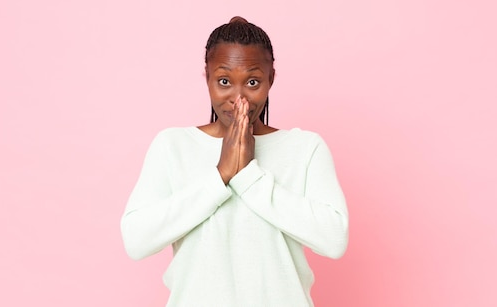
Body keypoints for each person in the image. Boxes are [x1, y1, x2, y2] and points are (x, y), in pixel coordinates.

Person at [121, 16, 349, 307]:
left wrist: (247, 176)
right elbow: (136, 240)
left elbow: (334, 240)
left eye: (253, 82)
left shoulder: (305, 148)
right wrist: (220, 175)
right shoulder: (172, 146)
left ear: (271, 79)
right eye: (224, 81)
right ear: (207, 78)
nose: (238, 98)